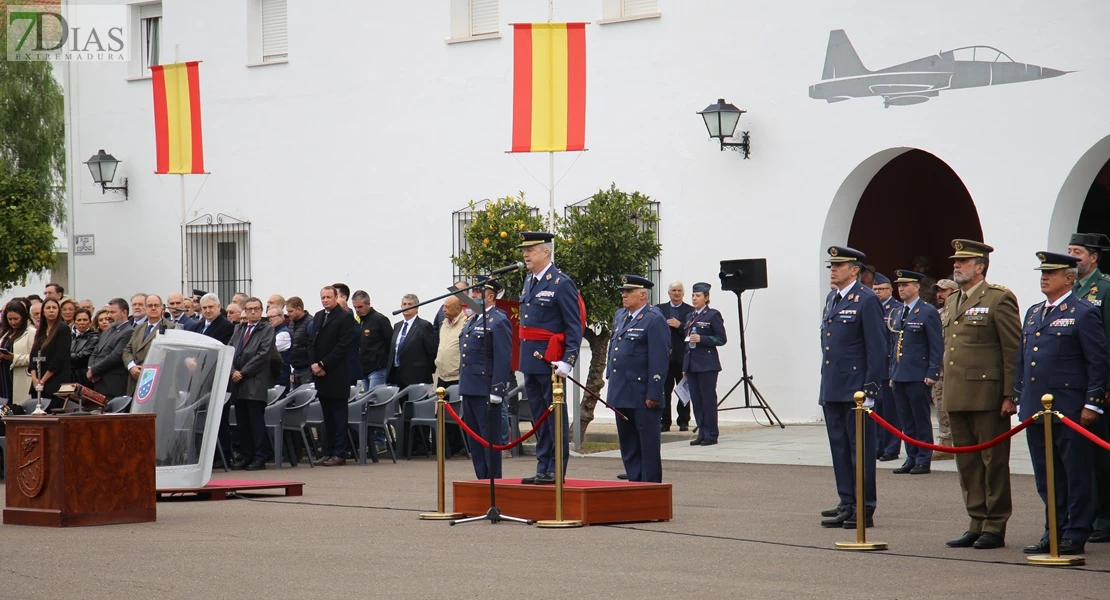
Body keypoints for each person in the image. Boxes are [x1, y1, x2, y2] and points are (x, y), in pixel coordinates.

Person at [1015, 251, 1107, 556]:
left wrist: (1092, 403)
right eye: (1042, 272)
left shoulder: (1082, 312)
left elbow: (1098, 360)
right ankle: (1052, 528)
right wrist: (1020, 398)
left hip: (1068, 409)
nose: (1044, 277)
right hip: (1036, 410)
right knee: (1046, 475)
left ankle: (1075, 532)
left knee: (1075, 473)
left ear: (1069, 278)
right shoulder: (1033, 312)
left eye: (1051, 273)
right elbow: (1023, 359)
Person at [942, 239, 1020, 550]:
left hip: (988, 396)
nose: (956, 266)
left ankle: (995, 524)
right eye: (956, 262)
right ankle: (975, 521)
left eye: (963, 262)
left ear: (980, 266)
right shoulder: (952, 301)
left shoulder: (998, 298)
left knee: (994, 462)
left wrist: (1010, 393)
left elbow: (1012, 349)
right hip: (957, 393)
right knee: (968, 464)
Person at [818, 246, 884, 530]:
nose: (833, 269)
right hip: (833, 385)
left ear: (855, 270)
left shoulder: (867, 299)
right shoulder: (834, 297)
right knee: (840, 449)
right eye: (832, 265)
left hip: (856, 389)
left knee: (860, 450)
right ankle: (847, 501)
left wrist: (870, 389)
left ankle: (864, 507)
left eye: (839, 265)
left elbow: (877, 348)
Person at [516, 231, 583, 485]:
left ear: (546, 252)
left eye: (531, 250)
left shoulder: (561, 283)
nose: (525, 254)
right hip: (530, 361)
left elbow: (573, 325)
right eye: (524, 250)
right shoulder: (529, 280)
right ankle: (543, 466)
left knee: (554, 416)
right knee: (538, 416)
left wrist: (569, 359)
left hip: (551, 361)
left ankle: (556, 469)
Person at [1067, 232, 1110, 544]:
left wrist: (1104, 386)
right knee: (1079, 455)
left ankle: (1104, 518)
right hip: (1072, 385)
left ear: (1094, 257)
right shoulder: (1069, 289)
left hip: (1098, 387)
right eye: (1069, 250)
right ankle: (1086, 514)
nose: (1073, 256)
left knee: (1101, 456)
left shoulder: (1105, 289)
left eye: (1078, 251)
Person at [607, 275, 670, 483]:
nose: (623, 295)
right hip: (621, 391)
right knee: (628, 443)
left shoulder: (654, 319)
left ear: (643, 295)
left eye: (628, 291)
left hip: (642, 393)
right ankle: (634, 483)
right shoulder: (620, 316)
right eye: (623, 291)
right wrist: (610, 379)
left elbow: (659, 359)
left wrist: (654, 392)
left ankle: (651, 488)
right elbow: (613, 349)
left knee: (648, 445)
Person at [889, 270, 943, 475]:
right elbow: (893, 345)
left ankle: (923, 458)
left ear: (917, 287)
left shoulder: (927, 311)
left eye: (906, 285)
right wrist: (892, 373)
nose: (901, 289)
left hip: (918, 374)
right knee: (905, 419)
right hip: (900, 373)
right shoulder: (897, 312)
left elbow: (936, 345)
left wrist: (932, 372)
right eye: (899, 285)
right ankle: (911, 456)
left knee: (920, 418)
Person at [458, 275, 512, 479]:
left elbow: (502, 357)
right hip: (470, 388)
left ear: (489, 296)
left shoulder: (498, 320)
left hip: (486, 389)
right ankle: (481, 480)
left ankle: (493, 483)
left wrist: (497, 389)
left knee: (489, 440)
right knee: (475, 442)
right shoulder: (474, 319)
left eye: (477, 293)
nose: (472, 296)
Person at [309, 286, 357, 467]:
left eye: (329, 297)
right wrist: (314, 364)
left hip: (336, 374)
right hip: (320, 375)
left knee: (338, 416)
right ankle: (327, 451)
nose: (325, 300)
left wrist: (323, 364)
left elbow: (342, 345)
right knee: (326, 417)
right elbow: (313, 341)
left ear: (336, 297)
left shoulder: (344, 317)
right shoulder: (320, 315)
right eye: (323, 297)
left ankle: (339, 453)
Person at [228, 298, 276, 471]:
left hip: (254, 381)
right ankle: (246, 456)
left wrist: (243, 372)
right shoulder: (239, 329)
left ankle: (260, 456)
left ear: (261, 310)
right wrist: (233, 370)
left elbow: (263, 355)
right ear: (245, 311)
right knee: (243, 422)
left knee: (256, 421)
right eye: (249, 309)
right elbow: (230, 351)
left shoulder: (267, 329)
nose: (253, 312)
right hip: (238, 383)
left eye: (256, 309)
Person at [683, 282, 727, 447]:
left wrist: (703, 339)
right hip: (692, 364)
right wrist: (684, 366)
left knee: (708, 399)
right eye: (693, 295)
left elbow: (721, 339)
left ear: (706, 298)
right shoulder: (690, 316)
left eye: (698, 296)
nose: (695, 298)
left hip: (707, 364)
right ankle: (702, 432)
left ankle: (711, 434)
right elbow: (687, 342)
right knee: (696, 400)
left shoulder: (712, 315)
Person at [873, 272, 903, 462]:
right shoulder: (871, 307)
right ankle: (878, 446)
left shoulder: (896, 309)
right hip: (875, 369)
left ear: (890, 290)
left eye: (881, 289)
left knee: (891, 412)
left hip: (889, 367)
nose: (877, 292)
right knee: (876, 411)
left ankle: (892, 448)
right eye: (874, 289)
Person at [657, 281, 694, 432]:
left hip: (682, 357)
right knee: (664, 391)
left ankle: (683, 421)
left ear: (683, 293)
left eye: (679, 290)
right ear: (669, 293)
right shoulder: (660, 309)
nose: (676, 293)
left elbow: (692, 331)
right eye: (674, 291)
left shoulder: (690, 310)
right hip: (665, 357)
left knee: (683, 391)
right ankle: (665, 421)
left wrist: (680, 325)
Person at [123, 295, 176, 396]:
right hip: (135, 383)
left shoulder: (170, 328)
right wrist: (131, 367)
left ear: (162, 308)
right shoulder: (139, 328)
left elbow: (169, 356)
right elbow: (127, 350)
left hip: (158, 384)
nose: (153, 308)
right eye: (150, 305)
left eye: (156, 305)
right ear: (145, 308)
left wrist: (146, 370)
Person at [28, 298, 72, 411]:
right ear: (43, 312)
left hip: (55, 382)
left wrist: (42, 380)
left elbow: (59, 358)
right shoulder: (41, 331)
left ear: (58, 311)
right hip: (38, 382)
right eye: (48, 308)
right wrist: (34, 379)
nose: (51, 310)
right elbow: (33, 356)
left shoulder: (63, 329)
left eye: (54, 308)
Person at [931, 278, 958, 459]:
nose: (940, 295)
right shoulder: (937, 313)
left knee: (955, 407)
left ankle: (956, 442)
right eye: (938, 291)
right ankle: (945, 442)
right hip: (940, 369)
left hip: (956, 369)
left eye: (944, 291)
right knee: (940, 404)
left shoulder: (958, 312)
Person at [386, 294, 438, 389]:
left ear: (417, 307)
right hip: (397, 375)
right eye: (404, 304)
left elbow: (432, 351)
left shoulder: (424, 326)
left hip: (416, 377)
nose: (406, 307)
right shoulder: (397, 326)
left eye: (410, 304)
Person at [86, 298, 134, 398]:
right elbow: (95, 352)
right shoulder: (106, 331)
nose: (108, 316)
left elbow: (116, 356)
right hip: (99, 384)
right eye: (108, 312)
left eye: (112, 312)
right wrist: (90, 367)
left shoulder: (129, 332)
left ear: (124, 313)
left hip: (114, 386)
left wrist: (94, 371)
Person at [351, 290, 392, 390]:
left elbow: (391, 342)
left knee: (374, 399)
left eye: (360, 307)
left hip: (378, 369)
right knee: (367, 401)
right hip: (364, 369)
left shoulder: (380, 319)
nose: (357, 310)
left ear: (368, 304)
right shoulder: (359, 321)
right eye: (355, 307)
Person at [0, 300, 36, 405]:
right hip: (3, 374)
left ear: (23, 317)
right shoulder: (5, 333)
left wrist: (13, 358)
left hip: (19, 376)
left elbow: (34, 358)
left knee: (16, 406)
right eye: (9, 319)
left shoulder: (31, 332)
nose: (13, 322)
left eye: (16, 319)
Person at [70, 308, 100, 388]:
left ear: (90, 322)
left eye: (85, 320)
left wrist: (66, 356)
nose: (82, 323)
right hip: (69, 376)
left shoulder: (94, 337)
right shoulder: (69, 336)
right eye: (79, 320)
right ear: (74, 322)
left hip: (84, 377)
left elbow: (83, 356)